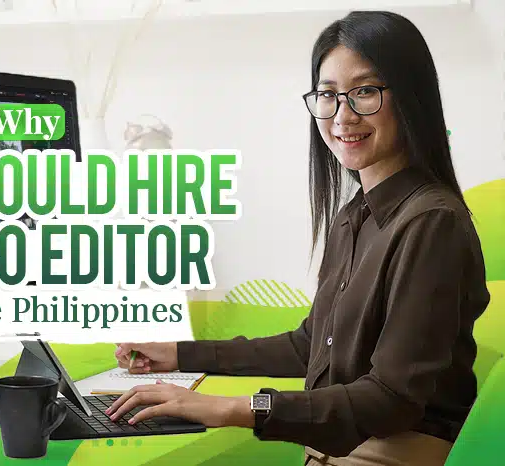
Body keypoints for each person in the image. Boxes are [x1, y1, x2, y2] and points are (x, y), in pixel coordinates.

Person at [106, 10, 490, 466]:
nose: (342, 115)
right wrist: (175, 354)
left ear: (411, 95)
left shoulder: (432, 224)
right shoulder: (357, 215)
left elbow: (390, 399)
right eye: (328, 95)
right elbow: (310, 347)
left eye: (365, 91)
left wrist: (231, 408)